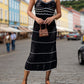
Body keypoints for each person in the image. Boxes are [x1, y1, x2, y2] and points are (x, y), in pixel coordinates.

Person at [22, 0, 61, 84]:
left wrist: (52, 17)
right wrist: (36, 18)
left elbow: (59, 14)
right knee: (33, 53)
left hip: (51, 29)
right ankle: (24, 79)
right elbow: (28, 11)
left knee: (50, 53)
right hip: (38, 27)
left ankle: (47, 79)